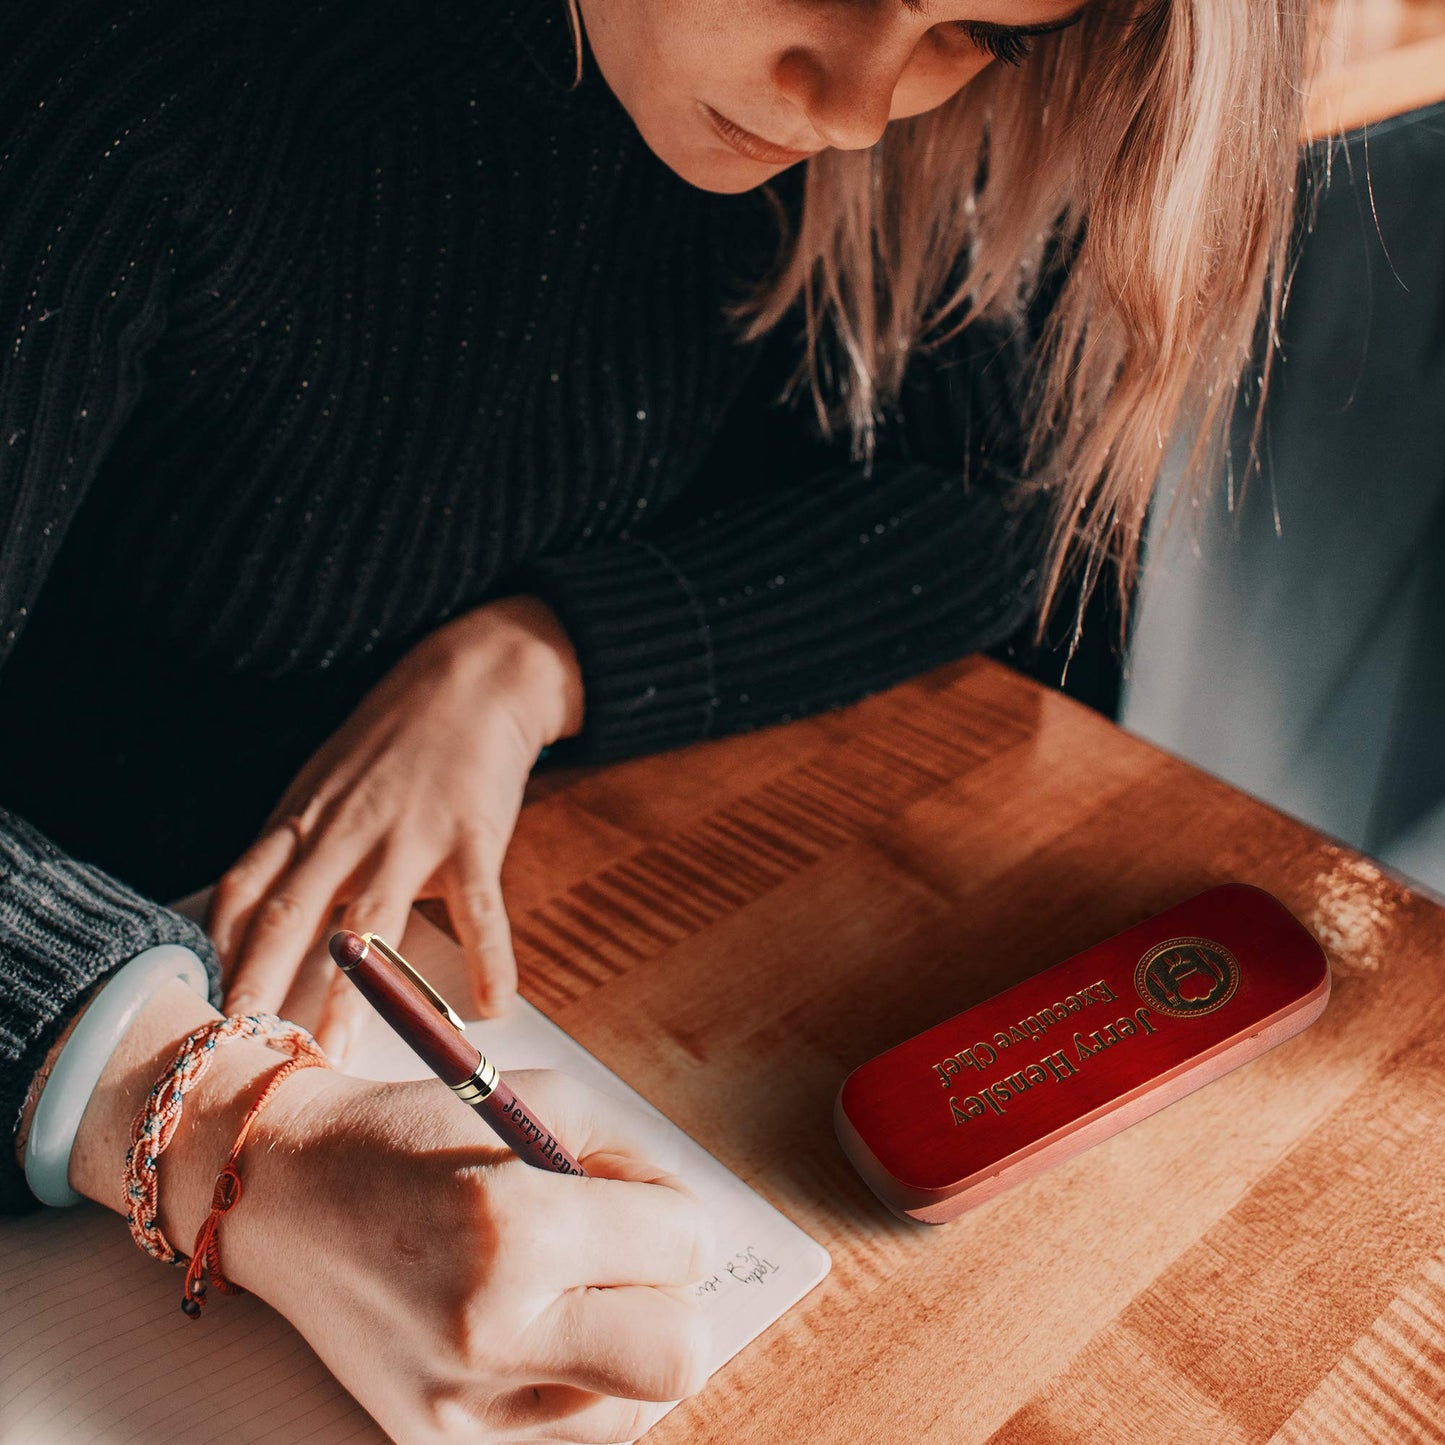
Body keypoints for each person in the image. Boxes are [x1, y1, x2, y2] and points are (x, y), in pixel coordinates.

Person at [2, 0, 1309, 1439]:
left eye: (977, 35)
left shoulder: (838, 139)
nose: (860, 108)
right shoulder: (119, 71)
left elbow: (995, 493)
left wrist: (537, 657)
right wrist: (217, 1132)